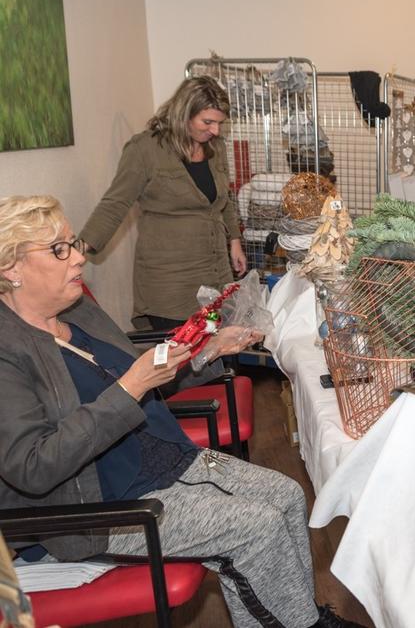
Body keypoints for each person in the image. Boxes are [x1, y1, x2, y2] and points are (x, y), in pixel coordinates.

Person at [0, 195, 354, 627]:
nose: (78, 258)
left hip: (162, 459)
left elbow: (146, 374)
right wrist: (130, 386)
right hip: (102, 504)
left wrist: (209, 351)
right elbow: (32, 467)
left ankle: (303, 618)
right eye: (59, 249)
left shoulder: (78, 313)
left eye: (73, 243)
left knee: (287, 495)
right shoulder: (7, 352)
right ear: (11, 267)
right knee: (257, 529)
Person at [80, 76, 245, 331]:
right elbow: (115, 203)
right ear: (184, 114)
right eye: (208, 122)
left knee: (216, 352)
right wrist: (78, 248)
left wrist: (234, 242)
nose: (215, 130)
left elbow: (225, 200)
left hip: (214, 274)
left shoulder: (216, 147)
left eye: (220, 123)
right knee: (180, 362)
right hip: (170, 282)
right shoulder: (145, 149)